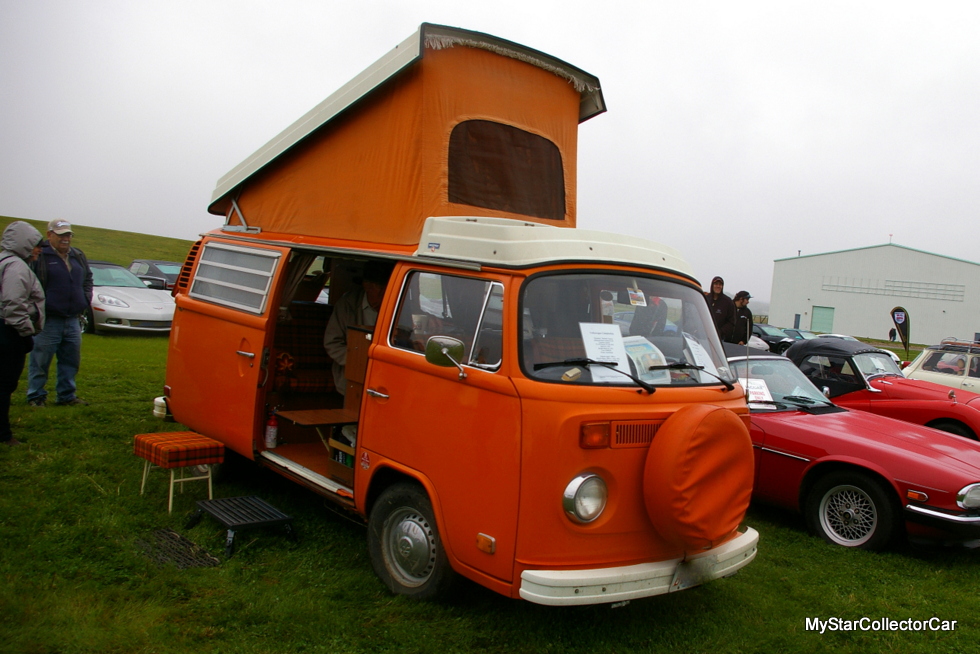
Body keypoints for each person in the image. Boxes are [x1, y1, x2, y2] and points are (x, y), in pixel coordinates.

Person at [26, 219, 93, 407]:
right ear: (49, 235)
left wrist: (85, 298)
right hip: (48, 320)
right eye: (61, 234)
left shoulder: (77, 255)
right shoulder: (41, 256)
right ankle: (36, 396)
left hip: (73, 319)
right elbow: (30, 284)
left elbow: (88, 278)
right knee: (40, 360)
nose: (65, 238)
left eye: (68, 234)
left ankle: (66, 396)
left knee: (71, 361)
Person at [1, 222, 46, 446]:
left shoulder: (4, 261)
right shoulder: (17, 267)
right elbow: (13, 304)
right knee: (5, 383)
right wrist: (27, 331)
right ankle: (3, 434)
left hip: (6, 330)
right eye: (36, 246)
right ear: (24, 245)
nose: (39, 250)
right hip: (8, 334)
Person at [323, 260, 393, 395]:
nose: (386, 295)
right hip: (351, 378)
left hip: (387, 376)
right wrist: (359, 363)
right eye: (382, 290)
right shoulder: (347, 304)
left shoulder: (397, 303)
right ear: (368, 286)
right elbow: (332, 343)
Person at [704, 276, 735, 343]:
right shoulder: (705, 299)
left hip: (720, 339)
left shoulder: (728, 302)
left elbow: (731, 322)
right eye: (716, 284)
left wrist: (719, 332)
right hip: (704, 336)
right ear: (712, 285)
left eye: (720, 284)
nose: (718, 286)